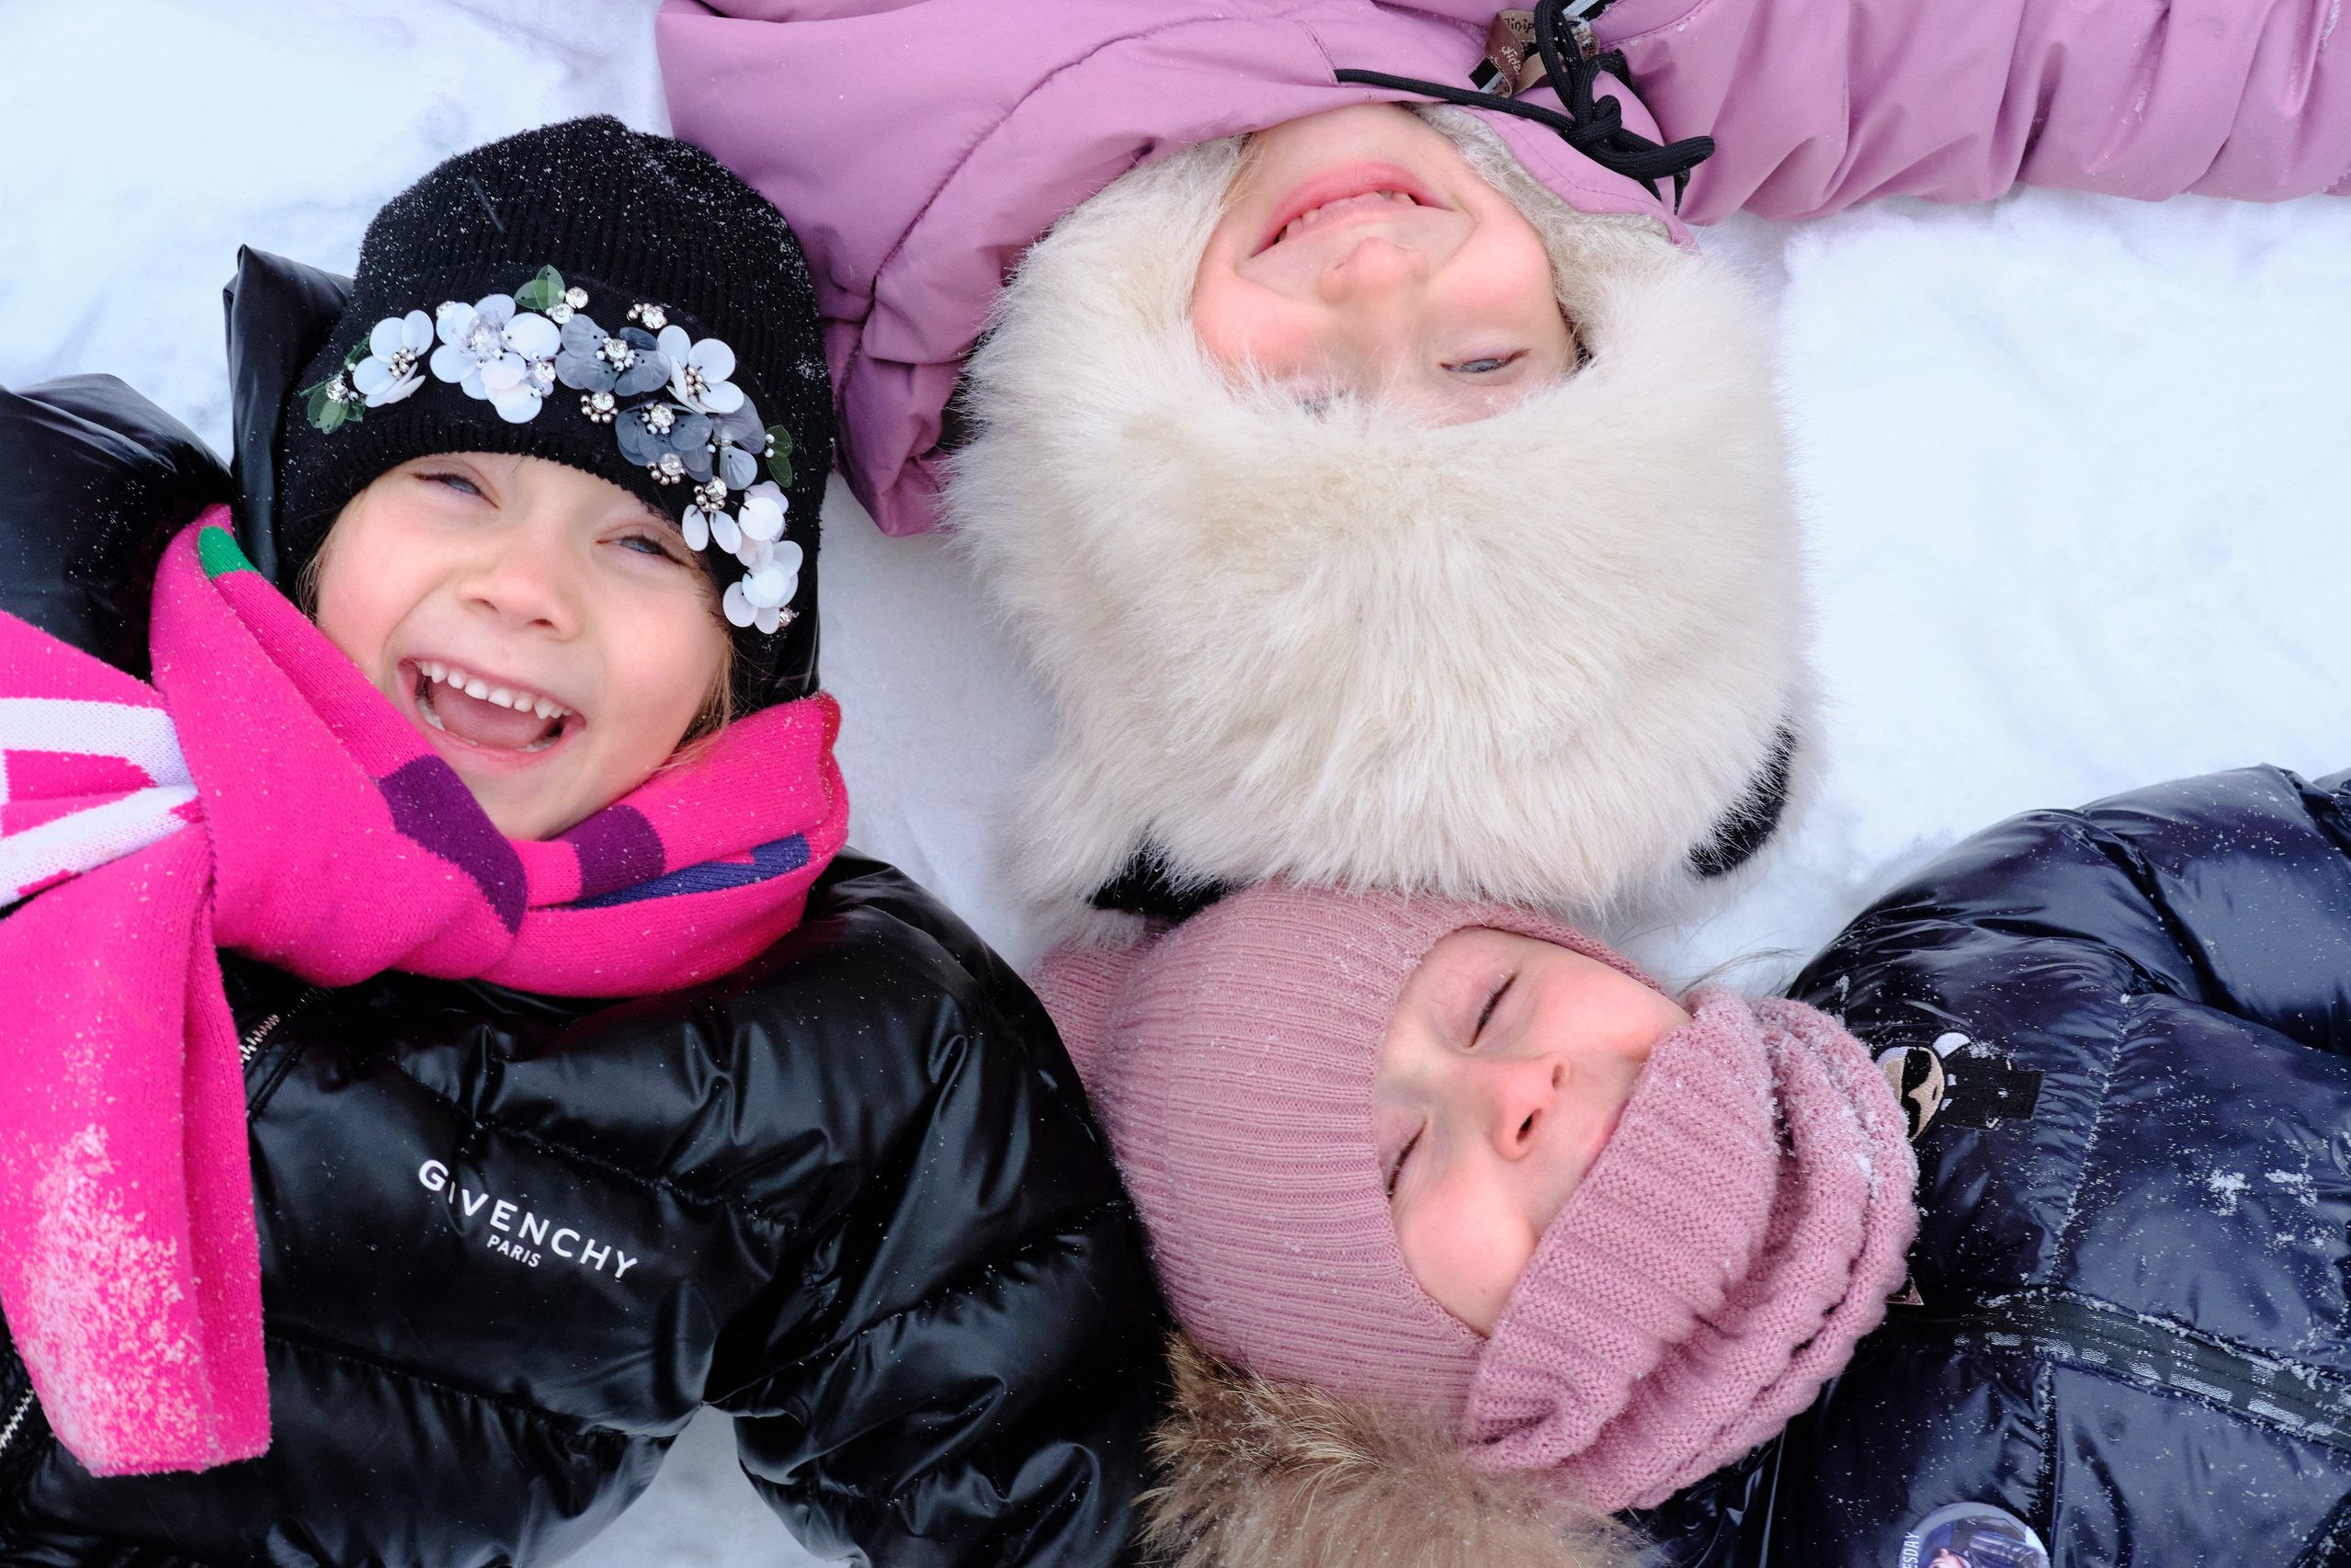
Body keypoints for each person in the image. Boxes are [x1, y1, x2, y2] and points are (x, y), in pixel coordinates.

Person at [0, 117, 1164, 1567]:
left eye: (642, 546)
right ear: (314, 524)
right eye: (454, 484)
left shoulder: (833, 1058)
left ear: (734, 671)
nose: (525, 587)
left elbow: (1042, 1487)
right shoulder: (51, 657)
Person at [658, 0, 2351, 941]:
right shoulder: (1630, 70)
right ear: (1601, 329)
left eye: (1304, 403)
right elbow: (2105, 53)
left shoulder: (866, 188)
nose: (1381, 281)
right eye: (1483, 367)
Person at [1032, 762, 2351, 1564]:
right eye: (1404, 1161)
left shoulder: (1978, 948)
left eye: (1490, 1004)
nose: (1512, 1091)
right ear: (1392, 1370)